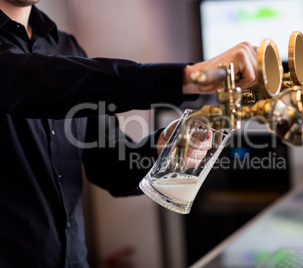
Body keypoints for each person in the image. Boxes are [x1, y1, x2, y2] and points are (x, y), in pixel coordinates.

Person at [0, 0, 258, 267]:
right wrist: (190, 77)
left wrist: (161, 146)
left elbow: (109, 165)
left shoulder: (66, 47)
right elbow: (37, 79)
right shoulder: (53, 65)